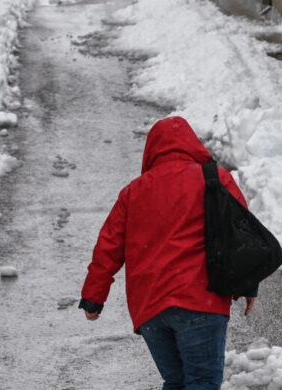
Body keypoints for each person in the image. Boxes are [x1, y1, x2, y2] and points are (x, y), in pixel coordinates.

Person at [79, 116, 256, 389]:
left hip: (150, 310)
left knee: (176, 381)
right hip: (200, 301)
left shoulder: (133, 192)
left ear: (151, 151)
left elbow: (108, 247)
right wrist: (247, 284)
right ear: (192, 145)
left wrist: (93, 297)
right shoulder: (214, 179)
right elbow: (242, 235)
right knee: (202, 382)